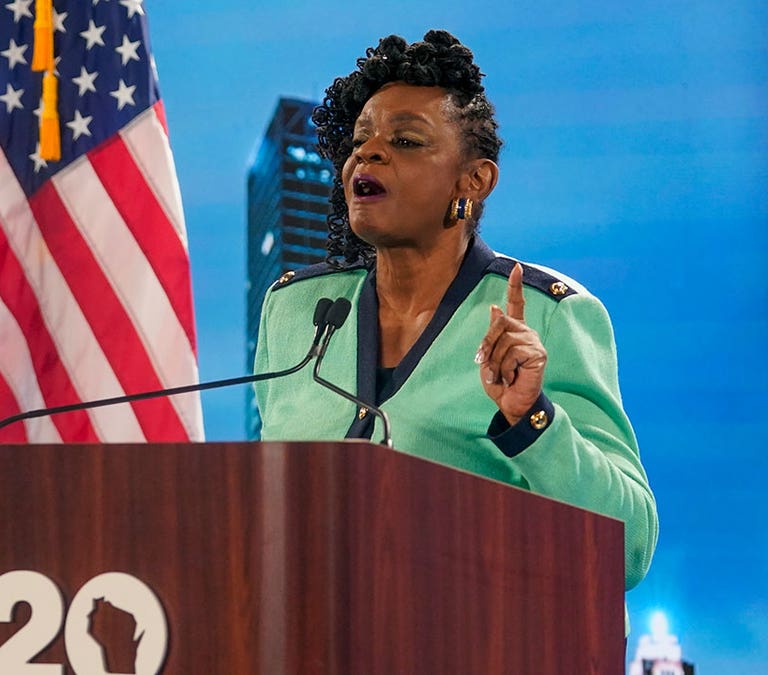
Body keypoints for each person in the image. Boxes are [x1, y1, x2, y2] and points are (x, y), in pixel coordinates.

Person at [253, 30, 657, 630]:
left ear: (475, 181)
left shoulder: (549, 313)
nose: (369, 155)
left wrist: (531, 419)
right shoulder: (294, 310)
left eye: (406, 141)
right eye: (360, 141)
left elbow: (629, 546)